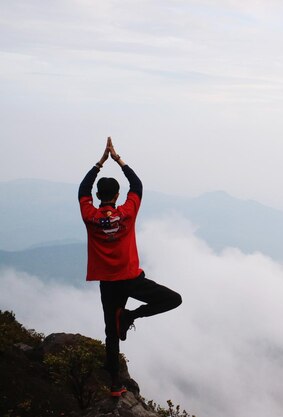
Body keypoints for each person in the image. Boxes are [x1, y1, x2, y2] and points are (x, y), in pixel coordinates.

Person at [78, 137, 182, 397]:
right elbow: (137, 185)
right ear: (116, 195)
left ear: (99, 196)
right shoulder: (127, 212)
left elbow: (82, 190)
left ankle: (115, 384)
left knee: (111, 333)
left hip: (108, 283)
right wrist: (118, 159)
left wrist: (99, 163)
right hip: (132, 278)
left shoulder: (89, 216)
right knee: (173, 299)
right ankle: (132, 315)